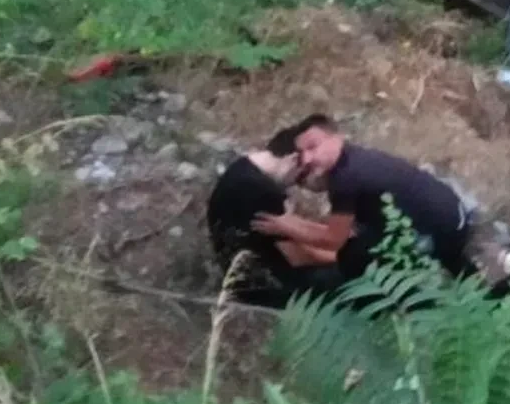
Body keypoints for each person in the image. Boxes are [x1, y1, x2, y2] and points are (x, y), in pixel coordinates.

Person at [250, 114, 480, 282]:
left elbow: (333, 240)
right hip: (452, 214)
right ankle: (494, 294)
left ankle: (380, 311)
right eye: (304, 153)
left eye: (314, 146)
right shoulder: (353, 158)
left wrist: (284, 226)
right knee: (457, 266)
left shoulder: (346, 178)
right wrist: (295, 224)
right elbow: (341, 229)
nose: (309, 158)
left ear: (336, 138)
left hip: (438, 231)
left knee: (354, 257)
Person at [206, 127, 342, 308]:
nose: (299, 184)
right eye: (302, 176)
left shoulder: (244, 169)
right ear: (294, 159)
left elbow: (291, 226)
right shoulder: (261, 193)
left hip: (243, 268)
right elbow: (299, 256)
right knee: (350, 274)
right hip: (262, 286)